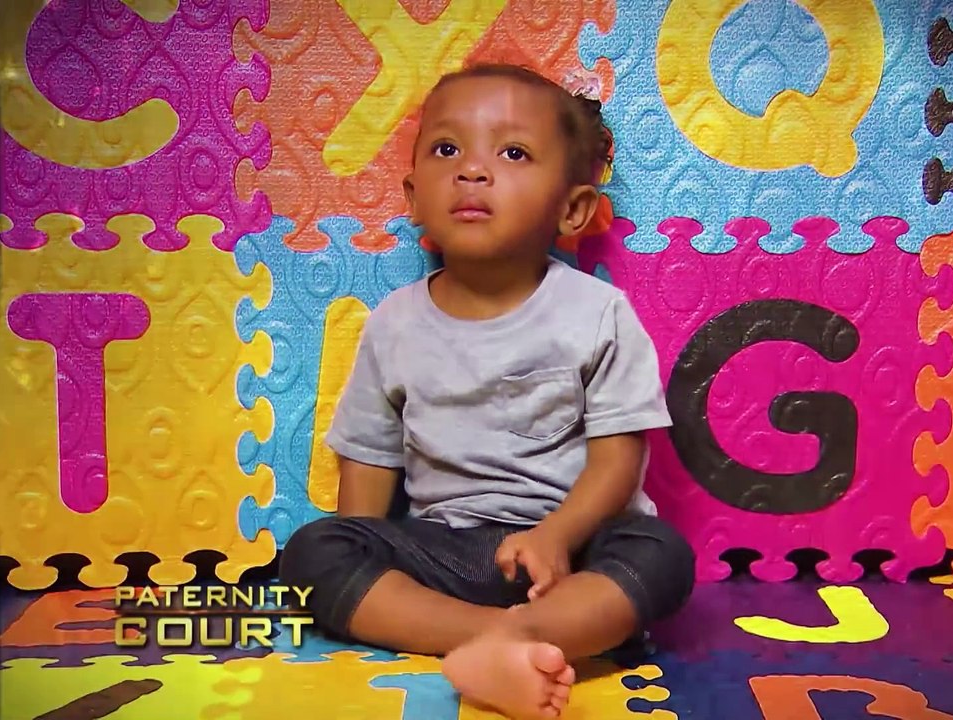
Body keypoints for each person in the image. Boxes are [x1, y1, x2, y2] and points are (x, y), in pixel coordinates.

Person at [278, 63, 696, 719]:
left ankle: (524, 633)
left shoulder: (598, 314)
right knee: (314, 551)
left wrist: (556, 534)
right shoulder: (394, 324)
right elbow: (369, 459)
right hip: (446, 550)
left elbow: (619, 459)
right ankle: (499, 642)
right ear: (414, 196)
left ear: (572, 209)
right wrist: (364, 548)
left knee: (661, 554)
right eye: (448, 149)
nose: (472, 171)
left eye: (513, 153)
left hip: (570, 552)